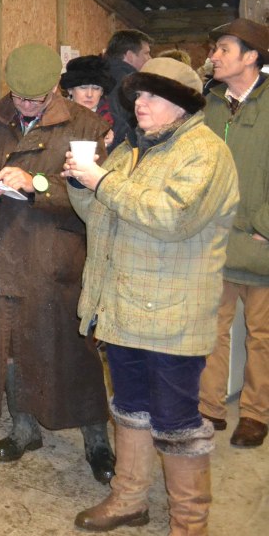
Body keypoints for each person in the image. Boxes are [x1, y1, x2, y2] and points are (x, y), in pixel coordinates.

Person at [64, 57, 239, 534]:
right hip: (124, 308)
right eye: (137, 96)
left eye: (151, 97)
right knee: (130, 405)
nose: (139, 104)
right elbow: (102, 212)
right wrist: (83, 180)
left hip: (173, 317)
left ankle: (189, 524)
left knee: (178, 422)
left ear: (180, 106)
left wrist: (104, 181)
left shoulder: (204, 153)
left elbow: (172, 218)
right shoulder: (133, 150)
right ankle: (129, 499)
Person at [0, 44, 115, 485]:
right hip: (0, 250)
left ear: (54, 90)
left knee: (73, 351)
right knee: (12, 345)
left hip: (53, 253)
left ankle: (97, 440)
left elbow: (95, 191)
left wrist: (35, 182)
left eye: (34, 99)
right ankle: (25, 429)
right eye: (18, 96)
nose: (23, 105)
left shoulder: (84, 126)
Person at [198, 18, 269, 449]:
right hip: (214, 237)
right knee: (211, 327)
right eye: (215, 48)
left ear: (252, 56)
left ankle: (255, 413)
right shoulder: (210, 105)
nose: (214, 56)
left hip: (261, 240)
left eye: (224, 48)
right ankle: (209, 407)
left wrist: (265, 224)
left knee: (262, 335)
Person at [104, 29, 153, 151]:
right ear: (130, 56)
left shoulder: (99, 77)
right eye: (146, 53)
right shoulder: (132, 84)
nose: (150, 58)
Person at [60, 54, 116, 148]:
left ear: (102, 92)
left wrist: (109, 146)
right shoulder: (55, 118)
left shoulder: (116, 124)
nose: (89, 94)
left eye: (96, 88)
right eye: (83, 88)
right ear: (70, 89)